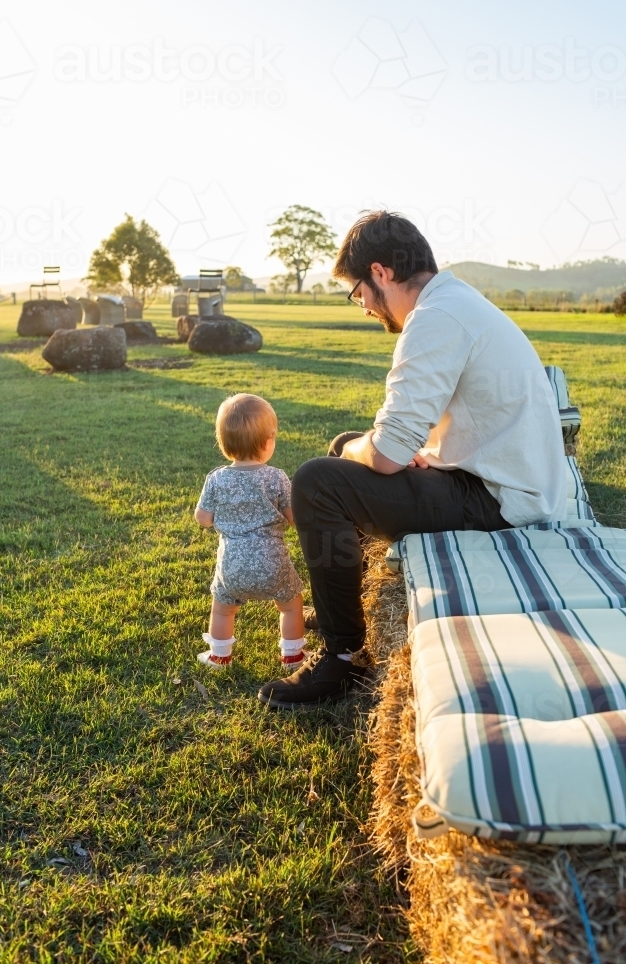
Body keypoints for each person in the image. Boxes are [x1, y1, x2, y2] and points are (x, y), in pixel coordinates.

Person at [257, 211, 567, 710]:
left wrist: (388, 450)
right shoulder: (455, 302)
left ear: (379, 273)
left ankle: (342, 659)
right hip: (501, 479)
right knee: (343, 445)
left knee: (319, 479)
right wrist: (409, 451)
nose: (362, 307)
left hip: (501, 502)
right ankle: (343, 602)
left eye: (357, 292)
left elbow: (383, 456)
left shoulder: (435, 319)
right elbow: (409, 436)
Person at [195, 393, 306, 670]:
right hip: (273, 562)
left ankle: (219, 656)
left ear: (224, 444)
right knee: (291, 605)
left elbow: (203, 519)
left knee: (222, 608)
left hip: (231, 565)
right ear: (268, 442)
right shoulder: (276, 477)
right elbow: (295, 519)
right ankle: (293, 657)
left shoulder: (217, 478)